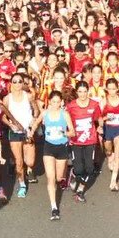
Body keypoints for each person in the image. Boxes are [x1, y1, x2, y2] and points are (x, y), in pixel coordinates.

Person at [38, 91, 74, 220]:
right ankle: (54, 207)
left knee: (59, 178)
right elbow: (36, 123)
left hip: (61, 147)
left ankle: (67, 174)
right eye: (53, 102)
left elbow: (72, 132)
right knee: (50, 178)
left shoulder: (65, 114)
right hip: (48, 147)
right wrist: (31, 132)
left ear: (62, 102)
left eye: (58, 102)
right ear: (49, 102)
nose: (55, 104)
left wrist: (65, 133)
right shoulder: (45, 113)